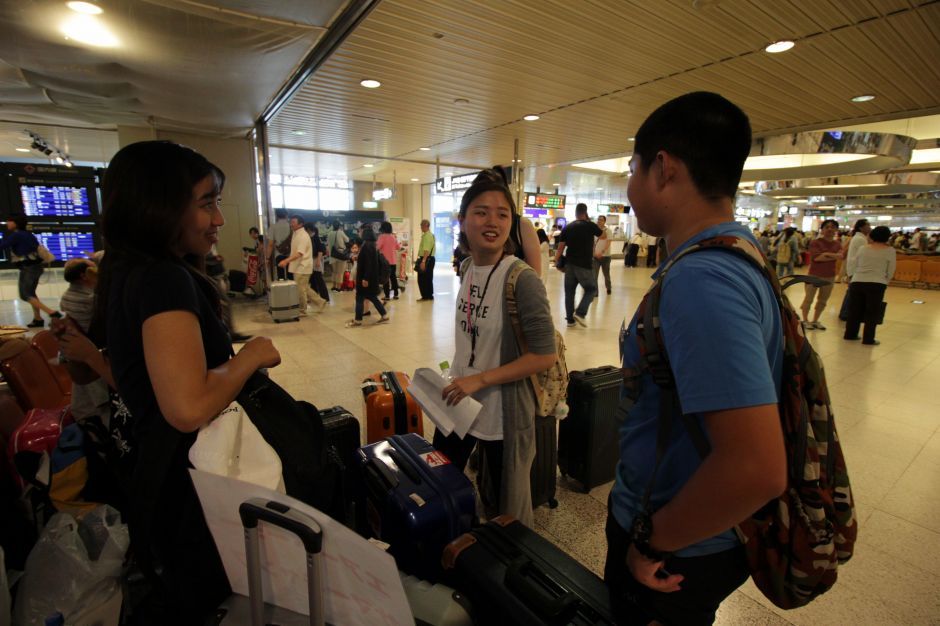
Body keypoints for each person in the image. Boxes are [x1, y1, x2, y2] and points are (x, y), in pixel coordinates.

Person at [606, 92, 786, 625]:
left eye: (633, 169)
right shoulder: (736, 253)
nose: (631, 186)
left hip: (677, 549)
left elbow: (755, 466)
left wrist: (651, 542)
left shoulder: (702, 279)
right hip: (694, 533)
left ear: (664, 169)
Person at [91, 140, 282, 620]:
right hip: (197, 487)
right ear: (159, 205)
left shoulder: (123, 270)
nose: (218, 218)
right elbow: (188, 404)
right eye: (206, 203)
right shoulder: (163, 279)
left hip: (162, 478)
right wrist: (252, 355)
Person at [433, 168, 555, 527]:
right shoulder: (469, 266)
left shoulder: (522, 279)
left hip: (503, 410)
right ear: (463, 219)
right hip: (461, 397)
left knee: (505, 509)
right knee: (439, 478)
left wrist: (481, 379)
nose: (492, 221)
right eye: (481, 212)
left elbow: (544, 354)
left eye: (502, 214)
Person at [59, 258, 110, 421]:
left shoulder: (67, 296)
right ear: (84, 276)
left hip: (80, 353)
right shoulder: (91, 300)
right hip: (94, 354)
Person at [0, 215, 61, 327]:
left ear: (16, 223)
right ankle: (38, 319)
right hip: (36, 267)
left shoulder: (16, 235)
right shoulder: (28, 234)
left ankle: (51, 312)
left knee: (25, 294)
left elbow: (2, 246)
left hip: (29, 268)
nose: (7, 224)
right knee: (31, 293)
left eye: (9, 221)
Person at [844, 225, 896, 346]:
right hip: (877, 283)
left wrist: (852, 276)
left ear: (872, 235)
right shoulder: (890, 251)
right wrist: (885, 280)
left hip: (858, 281)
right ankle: (868, 339)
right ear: (887, 237)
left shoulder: (863, 248)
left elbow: (854, 262)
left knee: (854, 310)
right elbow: (891, 270)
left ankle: (850, 334)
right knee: (872, 312)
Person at [554, 203, 603, 327]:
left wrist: (556, 260)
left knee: (569, 292)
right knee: (591, 289)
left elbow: (560, 248)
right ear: (585, 213)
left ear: (575, 213)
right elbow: (604, 235)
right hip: (584, 265)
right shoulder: (590, 226)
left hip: (570, 264)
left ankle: (570, 320)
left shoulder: (568, 227)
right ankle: (580, 313)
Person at [278, 215, 327, 316]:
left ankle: (302, 310)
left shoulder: (303, 236)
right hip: (298, 266)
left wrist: (286, 261)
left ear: (300, 224)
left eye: (293, 222)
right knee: (304, 288)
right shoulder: (296, 233)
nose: (291, 224)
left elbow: (299, 253)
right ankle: (320, 302)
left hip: (302, 266)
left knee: (301, 290)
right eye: (291, 222)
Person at [801, 219, 841, 330]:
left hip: (830, 275)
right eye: (827, 227)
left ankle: (815, 320)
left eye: (833, 227)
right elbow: (817, 258)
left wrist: (826, 255)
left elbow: (840, 256)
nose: (829, 229)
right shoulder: (815, 242)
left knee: (823, 300)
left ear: (836, 230)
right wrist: (831, 255)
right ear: (822, 230)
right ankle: (804, 320)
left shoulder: (837, 244)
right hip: (814, 275)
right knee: (808, 298)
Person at [346, 225, 389, 326]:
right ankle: (384, 315)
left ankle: (358, 320)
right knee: (372, 297)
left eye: (360, 231)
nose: (359, 233)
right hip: (370, 277)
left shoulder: (367, 245)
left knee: (360, 297)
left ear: (365, 233)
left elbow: (369, 263)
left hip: (365, 278)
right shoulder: (371, 244)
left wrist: (365, 278)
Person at [838, 218, 872, 320]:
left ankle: (844, 312)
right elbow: (864, 255)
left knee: (851, 292)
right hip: (856, 269)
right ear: (862, 227)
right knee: (852, 293)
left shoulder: (859, 238)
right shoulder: (860, 239)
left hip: (854, 268)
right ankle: (845, 313)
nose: (870, 227)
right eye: (868, 225)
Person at [305, 223, 330, 303]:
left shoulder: (315, 238)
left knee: (319, 279)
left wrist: (318, 261)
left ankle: (325, 298)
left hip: (315, 260)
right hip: (311, 260)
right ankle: (315, 298)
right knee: (313, 280)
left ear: (309, 229)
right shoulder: (310, 237)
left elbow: (320, 250)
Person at [376, 221, 401, 300]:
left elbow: (377, 247)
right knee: (393, 278)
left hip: (384, 262)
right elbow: (398, 247)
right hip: (393, 262)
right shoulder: (393, 237)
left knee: (385, 278)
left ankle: (387, 296)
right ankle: (396, 294)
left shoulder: (382, 236)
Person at [268, 208, 291, 280]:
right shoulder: (291, 226)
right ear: (286, 215)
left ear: (276, 215)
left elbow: (271, 244)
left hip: (279, 254)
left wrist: (267, 257)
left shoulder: (273, 227)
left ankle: (282, 290)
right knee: (290, 275)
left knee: (280, 276)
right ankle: (291, 290)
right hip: (291, 254)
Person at [593, 215, 613, 294]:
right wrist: (594, 253)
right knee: (594, 275)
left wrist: (602, 252)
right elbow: (593, 243)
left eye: (601, 220)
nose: (599, 221)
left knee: (606, 274)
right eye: (598, 219)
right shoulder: (594, 231)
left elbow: (608, 242)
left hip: (606, 257)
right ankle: (595, 292)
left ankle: (608, 288)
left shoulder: (608, 231)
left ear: (604, 221)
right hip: (595, 257)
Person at [327, 220, 350, 292]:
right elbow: (347, 240)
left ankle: (333, 286)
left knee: (334, 272)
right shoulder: (340, 232)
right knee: (340, 272)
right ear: (339, 226)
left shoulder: (329, 233)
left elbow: (328, 243)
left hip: (332, 255)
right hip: (340, 254)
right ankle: (338, 287)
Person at [417, 218, 436, 300]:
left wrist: (423, 261)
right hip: (429, 259)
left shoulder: (427, 236)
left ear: (425, 226)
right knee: (427, 277)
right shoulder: (428, 235)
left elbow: (426, 250)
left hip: (426, 259)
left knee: (422, 279)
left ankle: (426, 296)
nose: (420, 227)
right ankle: (428, 295)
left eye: (421, 225)